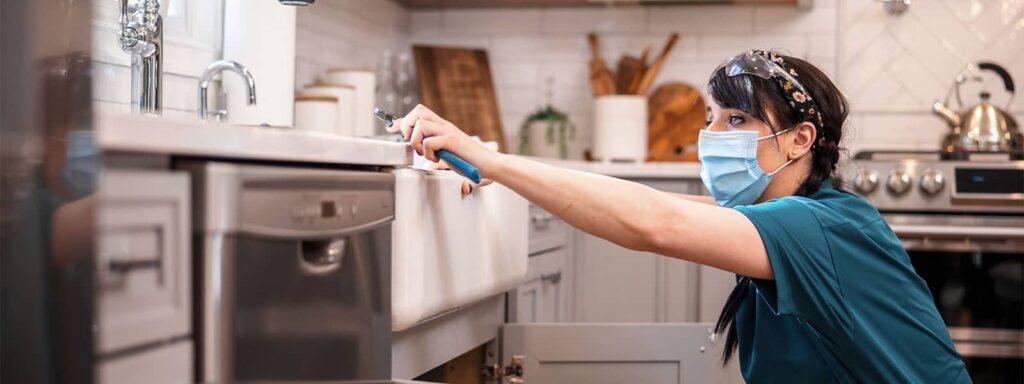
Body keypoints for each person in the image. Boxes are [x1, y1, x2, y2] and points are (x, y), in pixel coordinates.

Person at [390, 50, 970, 383]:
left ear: (800, 140)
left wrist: (492, 158)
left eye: (736, 120)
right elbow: (651, 205)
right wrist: (505, 173)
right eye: (710, 117)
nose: (711, 135)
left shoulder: (820, 227)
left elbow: (654, 223)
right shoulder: (777, 216)